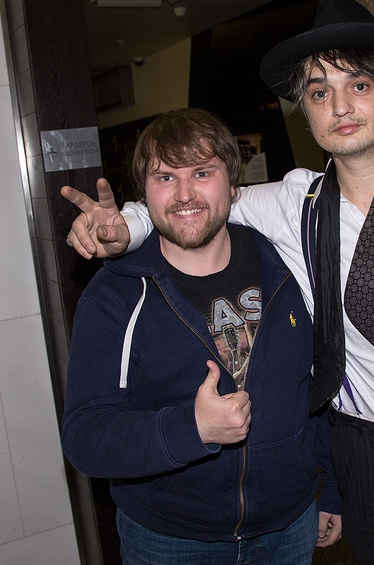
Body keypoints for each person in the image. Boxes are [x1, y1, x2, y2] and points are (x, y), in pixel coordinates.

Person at [63, 0, 374, 564]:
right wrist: (122, 226)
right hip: (364, 452)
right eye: (319, 93)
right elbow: (192, 204)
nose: (340, 106)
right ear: (304, 111)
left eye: (358, 85)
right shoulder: (289, 204)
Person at [60, 108, 341, 565]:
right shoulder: (116, 294)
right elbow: (85, 438)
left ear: (233, 184)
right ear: (144, 194)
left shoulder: (288, 267)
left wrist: (333, 489)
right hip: (170, 540)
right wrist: (191, 428)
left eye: (202, 173)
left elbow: (316, 389)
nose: (185, 195)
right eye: (165, 177)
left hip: (290, 525)